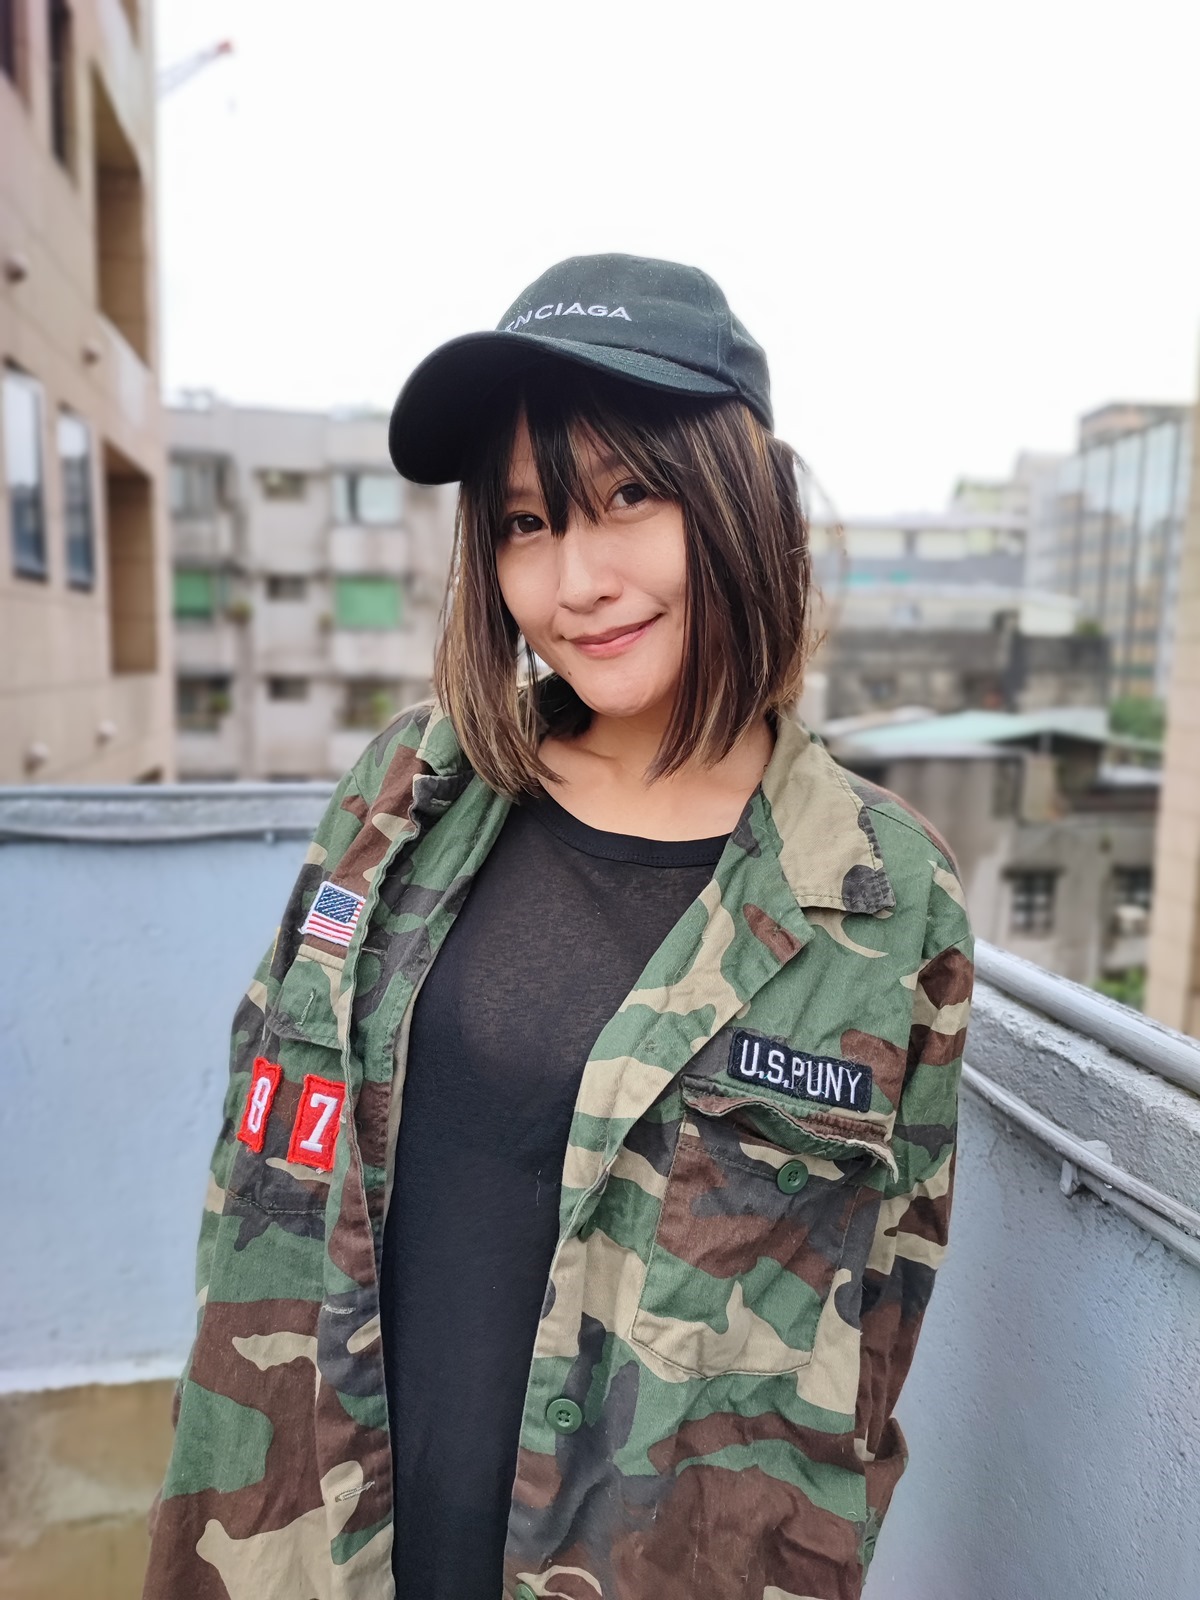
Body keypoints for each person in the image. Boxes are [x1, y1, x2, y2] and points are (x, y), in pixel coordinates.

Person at [143, 254, 973, 1600]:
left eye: (629, 496)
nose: (576, 580)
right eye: (527, 521)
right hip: (303, 1546)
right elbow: (258, 1172)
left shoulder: (881, 896)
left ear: (743, 498)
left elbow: (874, 1344)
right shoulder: (405, 794)